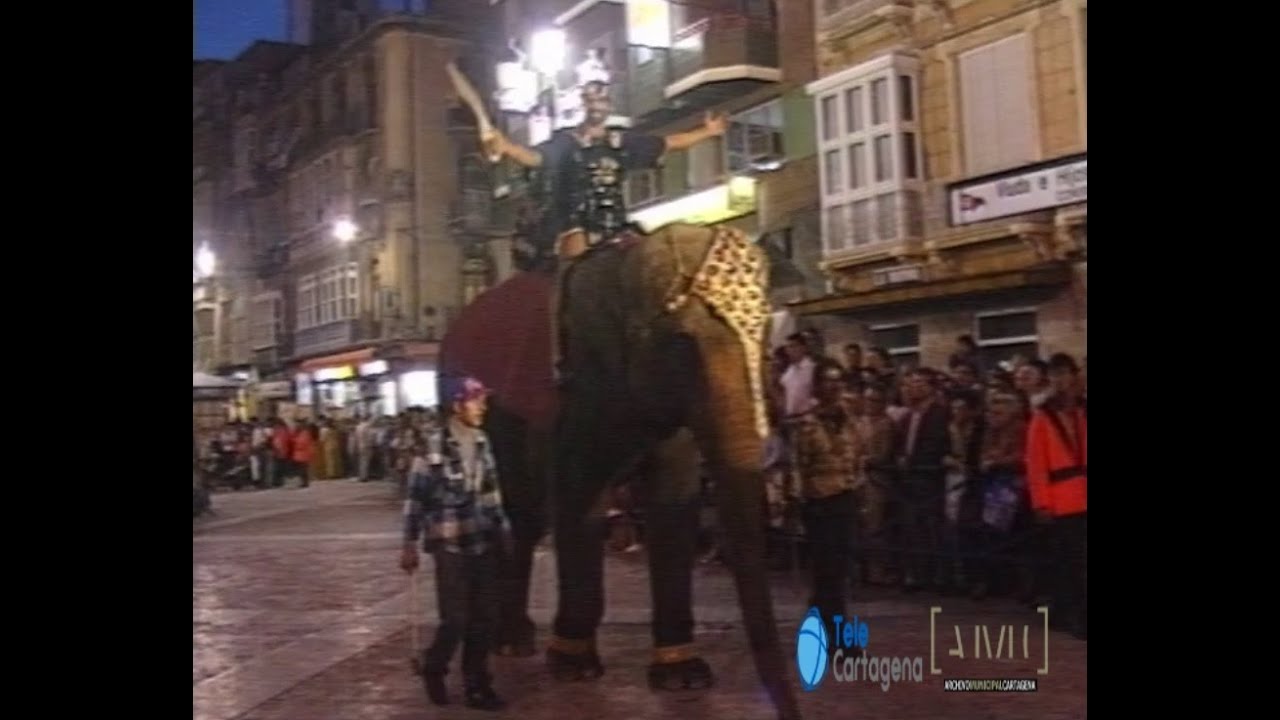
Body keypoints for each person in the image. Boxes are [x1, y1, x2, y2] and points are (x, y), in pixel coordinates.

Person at [483, 75, 727, 377]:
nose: (597, 104)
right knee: (566, 274)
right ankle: (559, 349)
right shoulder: (564, 142)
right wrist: (506, 146)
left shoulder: (621, 140)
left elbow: (669, 143)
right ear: (583, 103)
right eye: (592, 98)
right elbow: (535, 159)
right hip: (579, 226)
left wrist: (708, 131)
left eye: (602, 99)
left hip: (617, 225)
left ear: (609, 105)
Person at [400, 376, 512, 710]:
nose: (483, 408)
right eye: (476, 401)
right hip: (448, 543)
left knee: (486, 617)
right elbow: (415, 498)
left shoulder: (481, 441)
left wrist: (503, 529)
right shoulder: (431, 445)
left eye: (483, 401)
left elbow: (492, 491)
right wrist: (408, 542)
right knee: (456, 618)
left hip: (481, 539)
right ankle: (435, 666)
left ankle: (478, 684)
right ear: (457, 405)